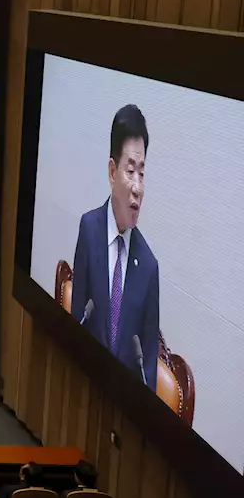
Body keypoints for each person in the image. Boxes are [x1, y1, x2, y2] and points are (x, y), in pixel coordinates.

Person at [70, 105, 159, 388]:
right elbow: (77, 324)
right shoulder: (89, 229)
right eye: (130, 170)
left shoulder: (148, 267)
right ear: (112, 171)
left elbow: (149, 372)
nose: (137, 187)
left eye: (142, 174)